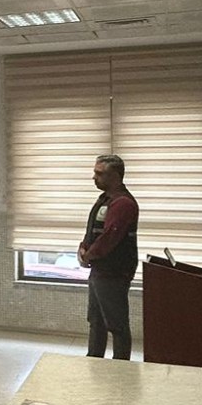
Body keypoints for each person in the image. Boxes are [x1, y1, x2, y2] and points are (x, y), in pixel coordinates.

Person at [78, 154, 138, 360]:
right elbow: (94, 230)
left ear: (115, 176)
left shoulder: (123, 203)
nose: (94, 177)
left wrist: (89, 255)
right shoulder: (105, 199)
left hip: (113, 272)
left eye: (100, 173)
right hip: (100, 270)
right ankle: (94, 361)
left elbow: (110, 237)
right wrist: (83, 248)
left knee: (116, 324)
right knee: (96, 321)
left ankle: (121, 366)